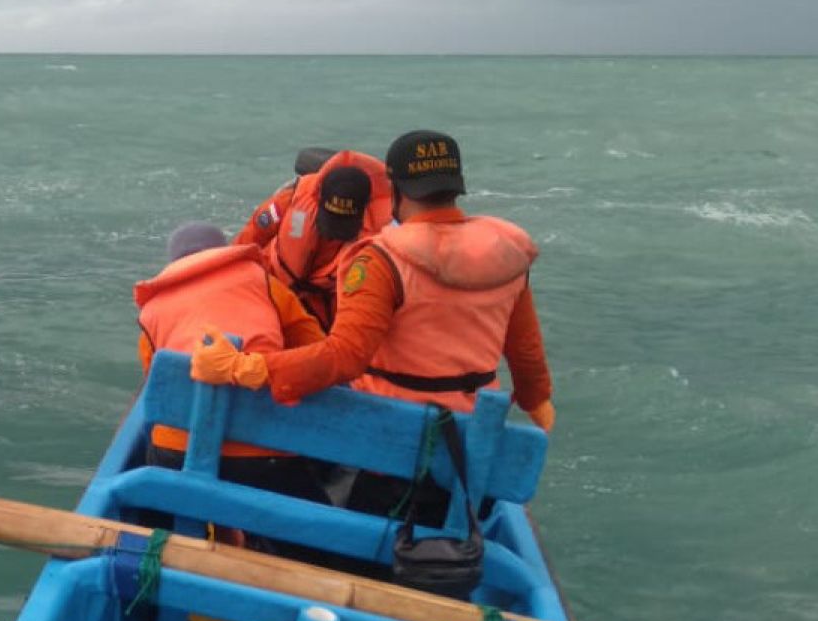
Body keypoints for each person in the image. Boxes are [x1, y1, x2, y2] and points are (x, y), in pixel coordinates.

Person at [191, 130, 555, 431]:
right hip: (472, 434)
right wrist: (536, 400)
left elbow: (346, 356)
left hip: (388, 436)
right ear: (456, 186)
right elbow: (525, 352)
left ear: (394, 188)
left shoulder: (381, 260)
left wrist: (246, 367)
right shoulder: (509, 254)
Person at [135, 221, 330, 502]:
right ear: (224, 252)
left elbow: (158, 382)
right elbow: (315, 347)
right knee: (313, 528)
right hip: (263, 449)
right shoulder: (262, 281)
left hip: (178, 451)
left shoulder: (151, 310)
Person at [233, 150, 394, 331]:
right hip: (270, 290)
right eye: (331, 219)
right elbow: (247, 242)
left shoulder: (385, 232)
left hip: (329, 312)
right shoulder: (290, 200)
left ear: (366, 208)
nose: (333, 233)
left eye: (344, 223)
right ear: (318, 198)